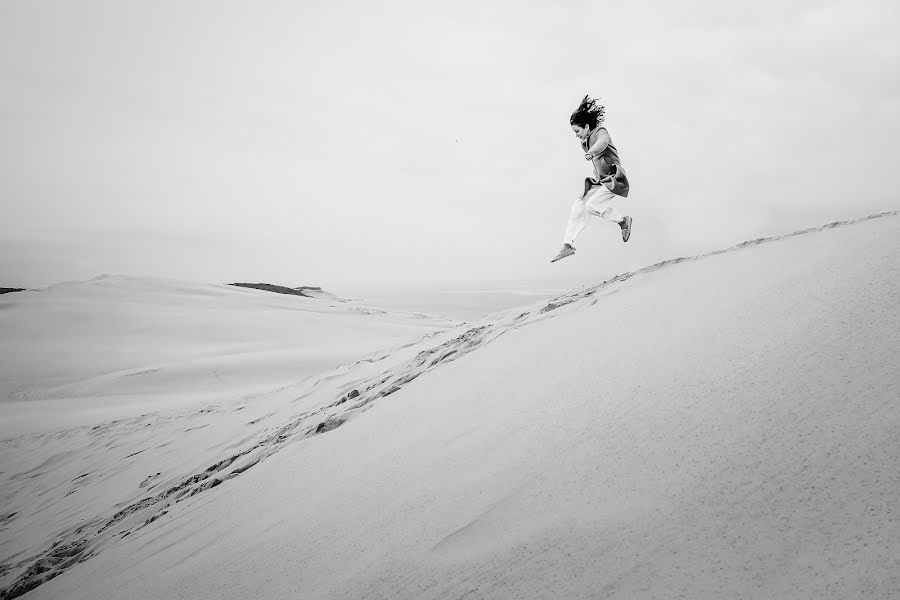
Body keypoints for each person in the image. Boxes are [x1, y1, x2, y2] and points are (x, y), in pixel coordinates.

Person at [550, 95, 632, 263]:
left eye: (577, 131)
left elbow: (602, 142)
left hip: (614, 178)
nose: (576, 135)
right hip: (600, 181)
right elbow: (597, 165)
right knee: (578, 205)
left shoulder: (600, 131)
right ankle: (567, 245)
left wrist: (592, 152)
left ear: (586, 126)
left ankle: (623, 221)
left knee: (592, 205)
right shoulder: (584, 143)